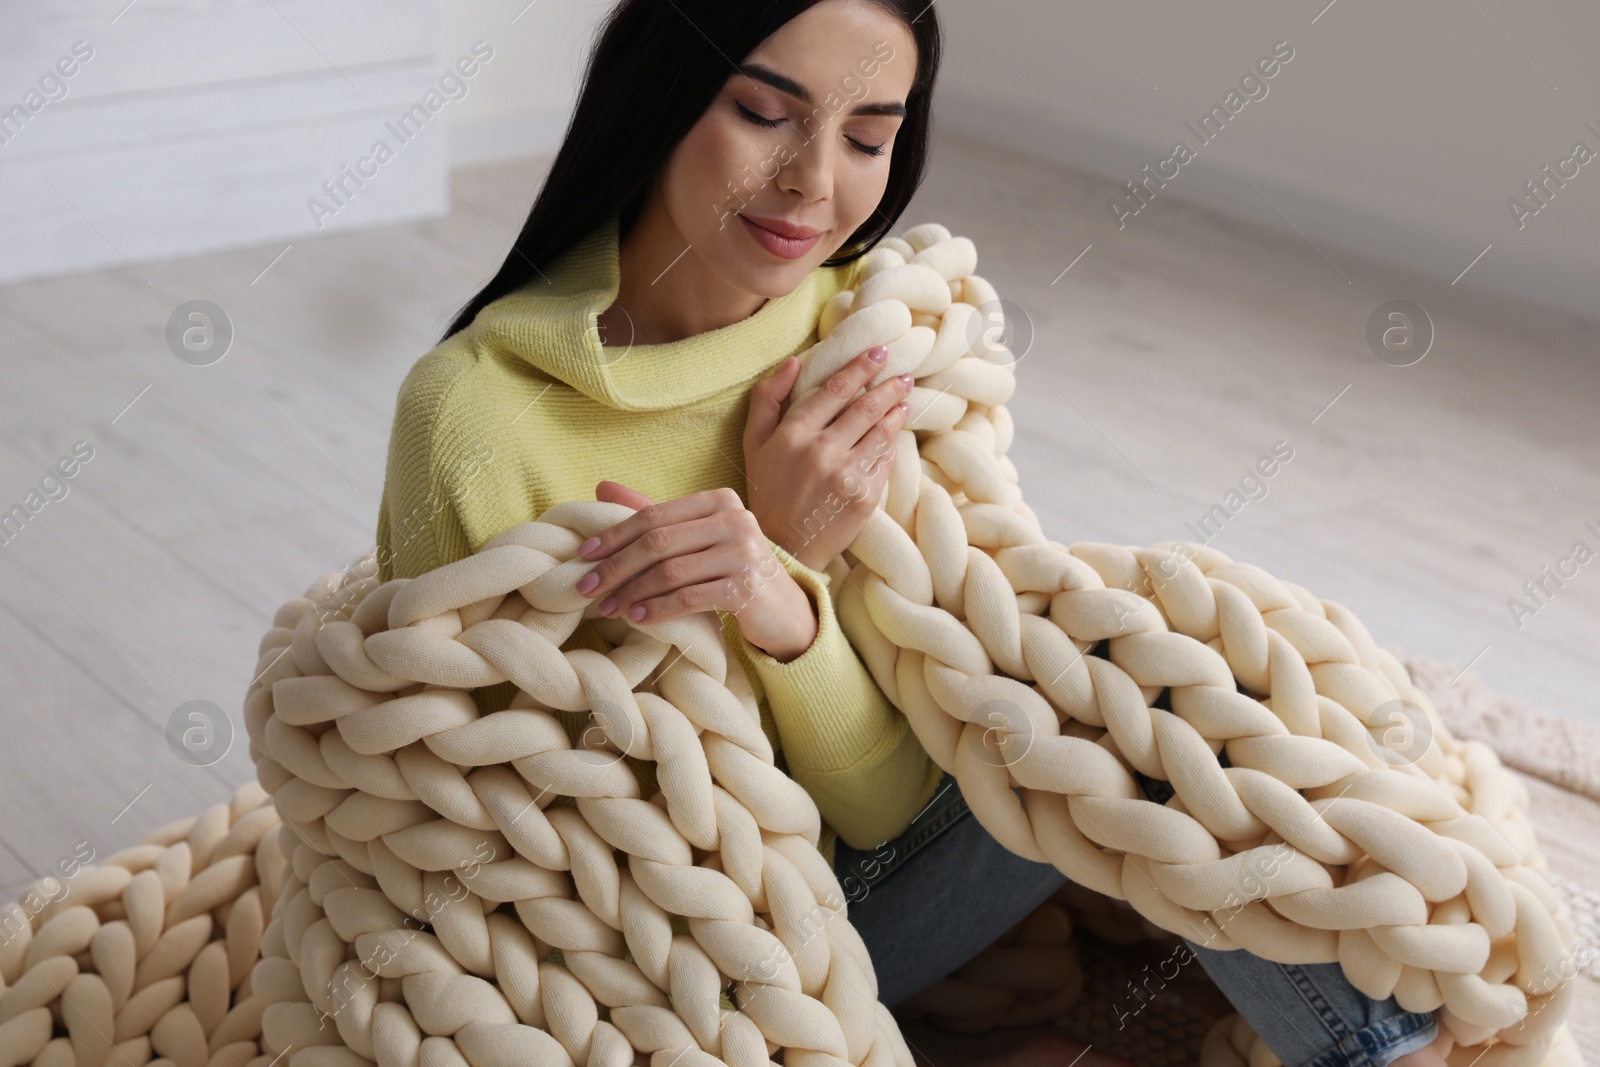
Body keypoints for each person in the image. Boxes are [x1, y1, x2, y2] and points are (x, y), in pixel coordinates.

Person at [375, 1, 1451, 1064]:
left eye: (868, 136)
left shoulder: (879, 335)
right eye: (762, 112)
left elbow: (902, 778)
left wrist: (787, 599)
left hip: (895, 851)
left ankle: (1381, 1051)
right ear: (655, 95)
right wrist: (780, 572)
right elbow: (520, 848)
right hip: (705, 965)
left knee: (1148, 674)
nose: (814, 180)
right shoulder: (478, 416)